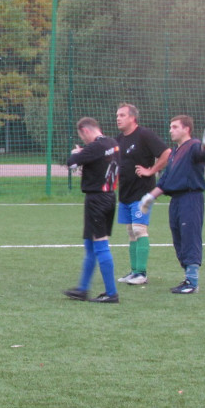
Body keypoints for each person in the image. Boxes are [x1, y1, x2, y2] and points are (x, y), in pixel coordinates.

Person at [140, 116, 205, 294]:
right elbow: (166, 179)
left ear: (186, 129)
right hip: (176, 200)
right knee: (178, 237)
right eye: (170, 127)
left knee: (189, 236)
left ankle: (192, 282)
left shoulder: (194, 145)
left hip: (190, 198)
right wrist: (149, 197)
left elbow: (202, 154)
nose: (170, 130)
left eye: (175, 127)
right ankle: (188, 277)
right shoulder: (174, 152)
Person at [63, 117, 121, 304]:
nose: (83, 139)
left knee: (101, 244)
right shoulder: (112, 143)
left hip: (97, 199)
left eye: (82, 136)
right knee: (90, 244)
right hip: (109, 196)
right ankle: (83, 289)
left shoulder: (95, 147)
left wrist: (76, 152)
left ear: (85, 131)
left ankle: (111, 293)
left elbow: (72, 162)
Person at [115, 103, 171, 286]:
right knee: (131, 232)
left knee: (139, 230)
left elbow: (166, 153)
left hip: (141, 192)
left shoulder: (144, 134)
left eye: (122, 115)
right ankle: (134, 271)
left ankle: (141, 273)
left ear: (132, 118)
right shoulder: (119, 139)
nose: (118, 118)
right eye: (117, 115)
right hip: (125, 192)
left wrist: (151, 170)